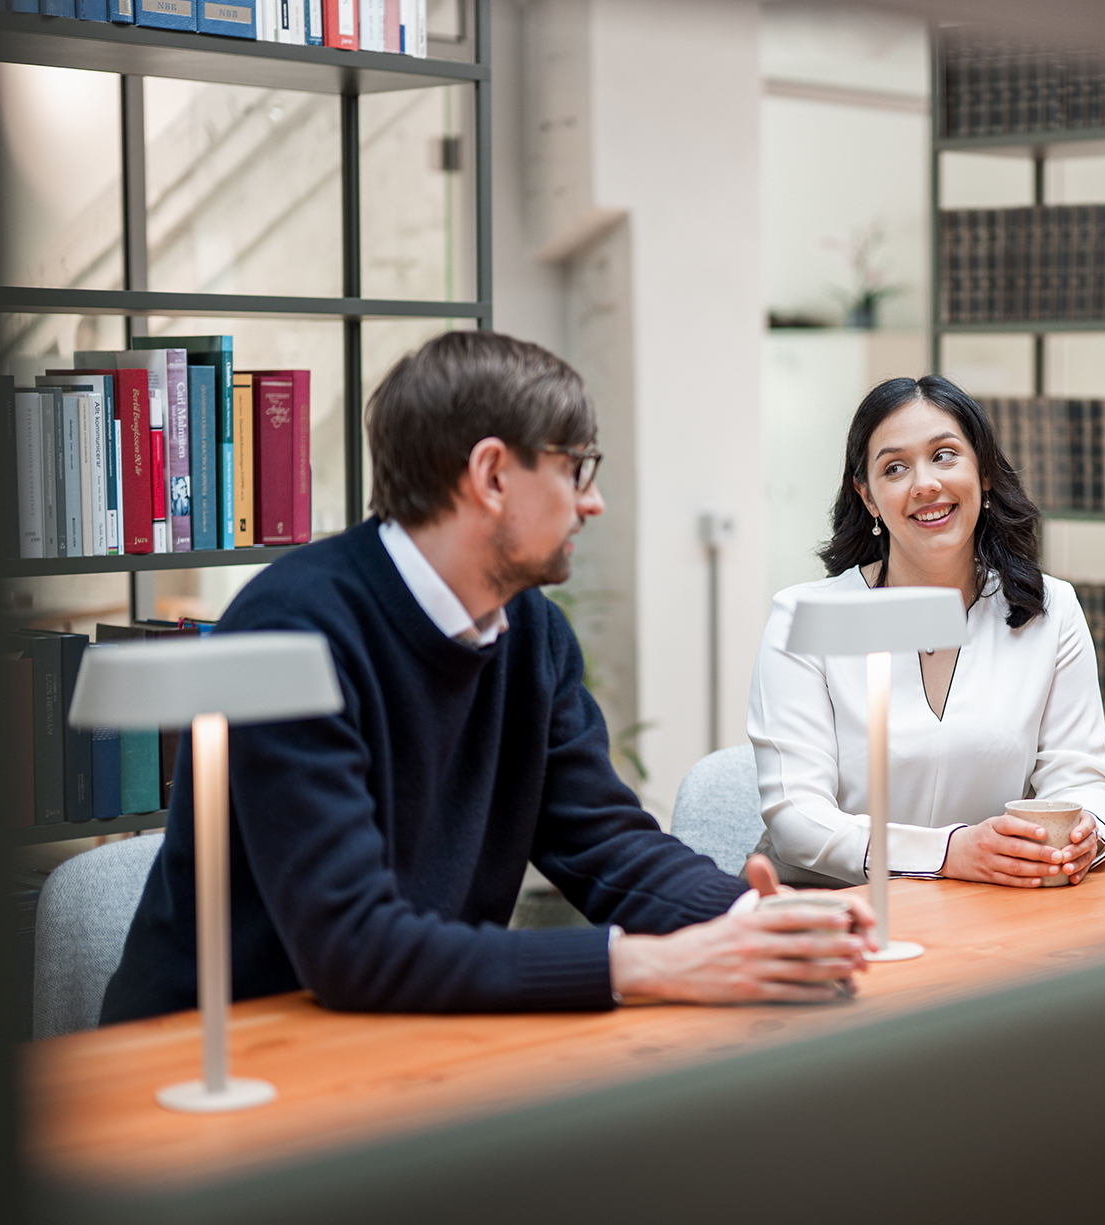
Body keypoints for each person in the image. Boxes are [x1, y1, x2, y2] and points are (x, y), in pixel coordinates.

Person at [103, 332, 873, 1024]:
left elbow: (603, 840)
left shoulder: (529, 628)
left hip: (397, 1028)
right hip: (217, 1059)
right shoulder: (292, 628)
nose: (593, 501)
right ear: (493, 475)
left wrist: (750, 917)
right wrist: (647, 964)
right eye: (578, 469)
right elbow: (353, 944)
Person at [747, 375, 1105, 889]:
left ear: (983, 473)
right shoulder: (805, 618)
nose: (925, 484)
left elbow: (1082, 779)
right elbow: (797, 820)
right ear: (869, 497)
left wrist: (1084, 836)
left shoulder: (1048, 611)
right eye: (895, 468)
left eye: (945, 455)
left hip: (987, 907)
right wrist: (949, 853)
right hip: (834, 909)